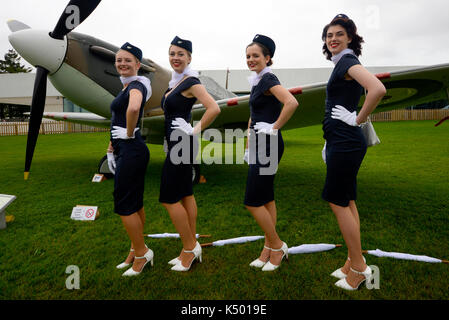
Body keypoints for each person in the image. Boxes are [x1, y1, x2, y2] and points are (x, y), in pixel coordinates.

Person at [321, 14, 386, 290]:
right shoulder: (342, 63)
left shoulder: (347, 61)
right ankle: (352, 259)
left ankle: (360, 269)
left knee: (337, 201)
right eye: (329, 35)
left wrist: (356, 119)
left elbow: (377, 88)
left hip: (346, 140)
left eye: (339, 34)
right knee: (347, 200)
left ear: (350, 38)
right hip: (340, 139)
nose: (333, 39)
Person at [159, 36, 220, 271]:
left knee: (168, 197)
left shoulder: (191, 81)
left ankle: (190, 247)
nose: (175, 57)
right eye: (172, 53)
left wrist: (194, 129)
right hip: (177, 144)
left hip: (182, 144)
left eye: (180, 54)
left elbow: (213, 107)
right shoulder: (175, 83)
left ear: (189, 58)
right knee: (185, 193)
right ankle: (189, 246)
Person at [244, 34, 298, 271]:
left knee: (253, 201)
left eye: (256, 55)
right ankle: (268, 248)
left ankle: (277, 245)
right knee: (266, 197)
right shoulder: (258, 81)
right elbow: (253, 114)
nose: (251, 59)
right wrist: (248, 142)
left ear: (268, 58)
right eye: (248, 56)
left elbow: (291, 102)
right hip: (259, 144)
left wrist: (274, 127)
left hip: (269, 144)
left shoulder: (268, 79)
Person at [107, 42, 153, 277]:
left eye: (127, 60)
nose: (122, 64)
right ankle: (136, 249)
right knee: (135, 202)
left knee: (124, 204)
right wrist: (111, 147)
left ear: (138, 64)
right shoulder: (126, 87)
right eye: (119, 60)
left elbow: (133, 109)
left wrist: (127, 132)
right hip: (127, 149)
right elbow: (117, 117)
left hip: (132, 148)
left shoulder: (136, 84)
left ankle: (143, 253)